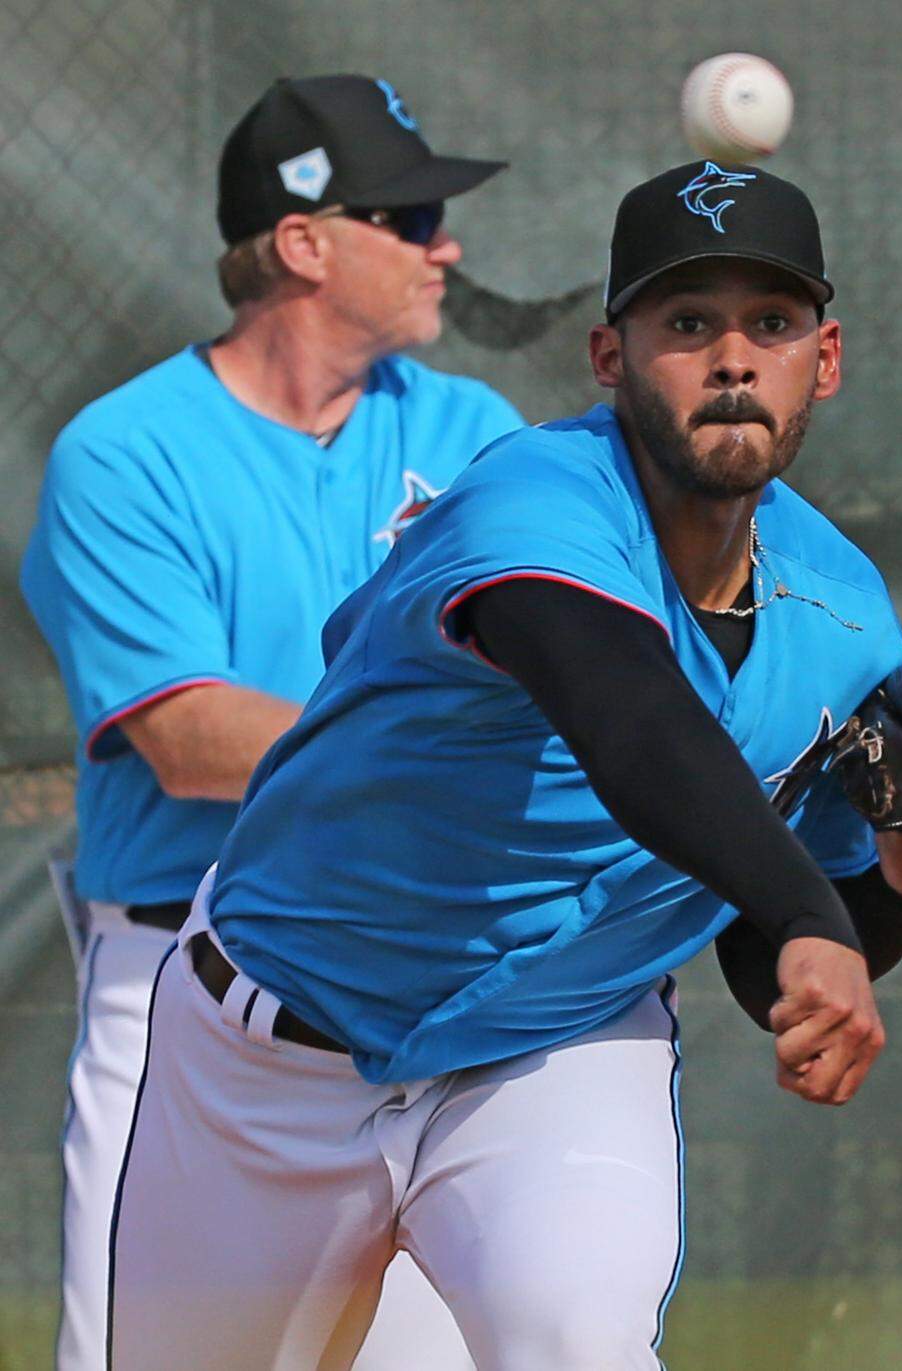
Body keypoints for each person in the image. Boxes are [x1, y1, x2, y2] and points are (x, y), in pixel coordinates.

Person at [107, 160, 902, 1370]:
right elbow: (624, 712)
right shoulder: (535, 497)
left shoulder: (840, 613)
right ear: (609, 357)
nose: (733, 359)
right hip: (270, 1056)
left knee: (578, 1342)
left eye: (771, 325)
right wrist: (800, 907)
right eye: (687, 324)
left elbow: (768, 957)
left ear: (823, 361)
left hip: (554, 1053)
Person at [21, 73, 521, 1371]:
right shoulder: (125, 452)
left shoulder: (475, 434)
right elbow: (189, 736)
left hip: (410, 991)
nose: (445, 245)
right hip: (188, 977)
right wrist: (433, 749)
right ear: (304, 242)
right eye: (409, 217)